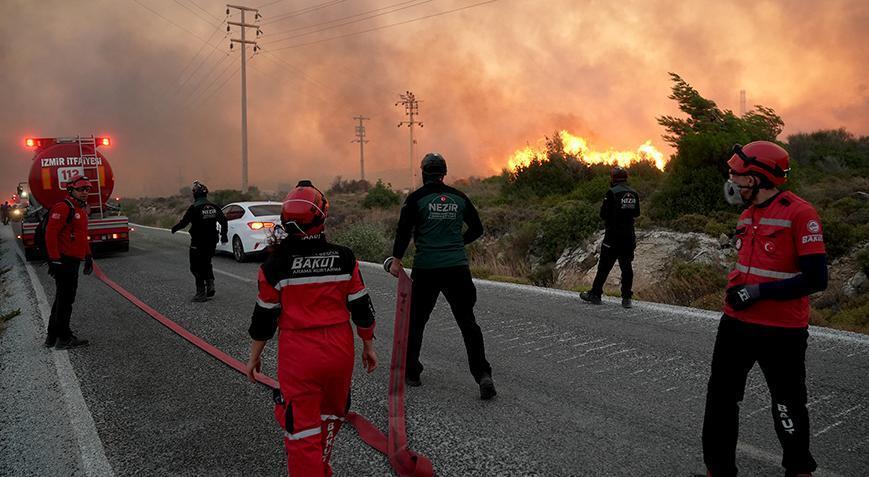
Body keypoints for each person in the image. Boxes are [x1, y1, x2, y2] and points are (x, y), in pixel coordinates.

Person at [702, 141, 827, 477]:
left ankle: (799, 469)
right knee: (721, 399)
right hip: (736, 324)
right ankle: (719, 470)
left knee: (787, 402)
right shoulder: (747, 214)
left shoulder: (800, 214)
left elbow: (817, 278)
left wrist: (759, 292)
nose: (733, 183)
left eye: (738, 176)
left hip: (782, 330)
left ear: (756, 178)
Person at [245, 180, 377, 476]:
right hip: (339, 352)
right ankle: (322, 468)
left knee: (301, 431)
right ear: (322, 219)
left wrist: (254, 356)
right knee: (331, 416)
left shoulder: (273, 265)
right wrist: (368, 344)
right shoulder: (344, 257)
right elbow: (361, 307)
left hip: (299, 357)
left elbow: (264, 317)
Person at [385, 152, 496, 400]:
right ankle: (483, 375)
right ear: (444, 173)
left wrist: (396, 259)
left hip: (427, 269)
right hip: (458, 269)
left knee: (416, 321)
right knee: (468, 323)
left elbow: (403, 231)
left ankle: (412, 373)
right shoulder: (459, 198)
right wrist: (458, 242)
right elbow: (477, 228)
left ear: (424, 173)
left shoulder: (416, 199)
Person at [44, 176, 94, 349]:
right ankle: (64, 338)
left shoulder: (80, 210)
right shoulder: (63, 208)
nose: (85, 192)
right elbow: (50, 235)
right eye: (81, 189)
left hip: (74, 260)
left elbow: (81, 237)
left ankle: (51, 337)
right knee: (65, 300)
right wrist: (55, 259)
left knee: (61, 299)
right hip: (64, 261)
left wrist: (88, 257)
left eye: (87, 189)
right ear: (71, 190)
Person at [580, 166, 640, 308]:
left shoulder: (611, 193)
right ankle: (626, 298)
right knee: (626, 267)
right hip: (628, 237)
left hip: (612, 237)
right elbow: (637, 213)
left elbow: (603, 214)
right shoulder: (633, 193)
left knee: (604, 267)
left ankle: (595, 294)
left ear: (613, 179)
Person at [171, 181, 228, 302]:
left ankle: (201, 293)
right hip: (212, 241)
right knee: (207, 262)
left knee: (196, 267)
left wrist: (175, 228)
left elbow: (184, 222)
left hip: (198, 242)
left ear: (195, 195)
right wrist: (224, 236)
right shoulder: (214, 207)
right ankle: (210, 283)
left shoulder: (194, 208)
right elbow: (224, 221)